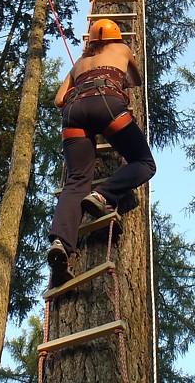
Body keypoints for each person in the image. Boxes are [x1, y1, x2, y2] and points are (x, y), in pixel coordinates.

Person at [47, 18, 156, 286]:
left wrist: (80, 80)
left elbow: (59, 100)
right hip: (107, 104)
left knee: (76, 181)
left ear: (92, 39)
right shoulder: (122, 49)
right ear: (115, 36)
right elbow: (137, 79)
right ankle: (102, 194)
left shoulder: (78, 64)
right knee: (144, 162)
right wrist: (123, 82)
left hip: (73, 114)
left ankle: (60, 242)